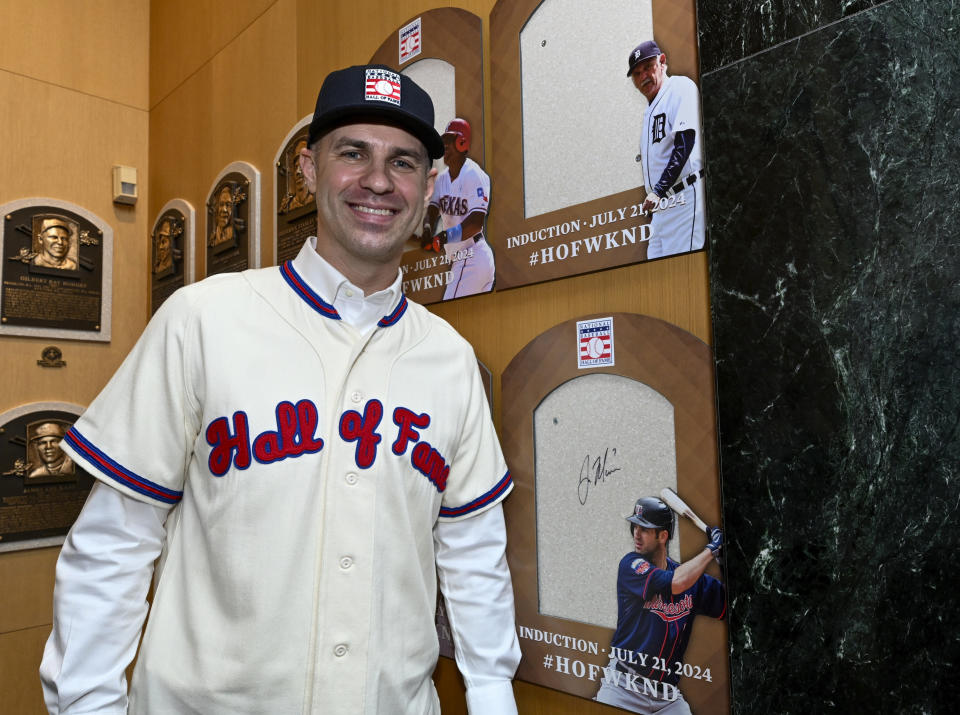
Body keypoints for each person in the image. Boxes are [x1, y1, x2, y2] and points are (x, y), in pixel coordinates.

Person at [40, 64, 521, 715]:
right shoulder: (203, 319)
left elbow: (474, 557)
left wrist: (493, 697)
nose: (378, 180)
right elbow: (113, 546)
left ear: (431, 185)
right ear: (309, 168)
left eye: (403, 161)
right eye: (353, 153)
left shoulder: (452, 362)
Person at [594, 496, 725, 714]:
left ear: (663, 536)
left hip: (667, 696)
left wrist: (725, 561)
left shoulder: (694, 582)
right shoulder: (631, 565)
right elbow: (676, 582)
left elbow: (732, 603)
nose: (636, 533)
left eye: (644, 528)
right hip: (624, 686)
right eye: (635, 526)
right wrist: (711, 549)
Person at [628, 40, 706, 260]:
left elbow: (684, 144)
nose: (643, 76)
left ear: (662, 62)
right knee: (659, 280)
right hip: (662, 209)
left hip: (683, 197)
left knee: (683, 273)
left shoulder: (680, 88)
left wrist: (659, 189)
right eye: (636, 73)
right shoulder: (650, 109)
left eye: (647, 67)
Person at [421, 118, 495, 300]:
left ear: (462, 143)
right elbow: (433, 209)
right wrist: (427, 229)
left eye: (450, 141)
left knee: (451, 317)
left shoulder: (474, 175)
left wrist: (445, 237)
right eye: (443, 141)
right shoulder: (443, 179)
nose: (445, 146)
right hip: (463, 260)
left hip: (471, 255)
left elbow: (475, 223)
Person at [279, 137, 315, 213]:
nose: (297, 172)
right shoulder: (288, 206)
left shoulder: (319, 197)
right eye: (296, 167)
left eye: (302, 167)